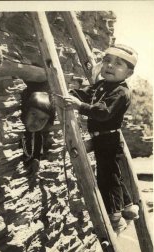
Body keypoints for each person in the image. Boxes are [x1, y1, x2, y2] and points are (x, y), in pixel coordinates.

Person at [64, 44, 139, 233]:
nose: (110, 66)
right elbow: (88, 95)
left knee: (107, 178)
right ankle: (128, 206)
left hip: (108, 140)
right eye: (107, 61)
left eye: (118, 64)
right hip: (101, 139)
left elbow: (103, 112)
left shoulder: (121, 92)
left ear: (128, 73)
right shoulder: (102, 85)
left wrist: (79, 106)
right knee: (114, 174)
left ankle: (115, 218)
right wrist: (73, 95)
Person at [21, 91, 55, 173]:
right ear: (25, 111)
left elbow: (37, 152)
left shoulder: (37, 136)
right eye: (34, 114)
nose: (36, 122)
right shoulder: (17, 135)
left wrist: (36, 160)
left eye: (42, 119)